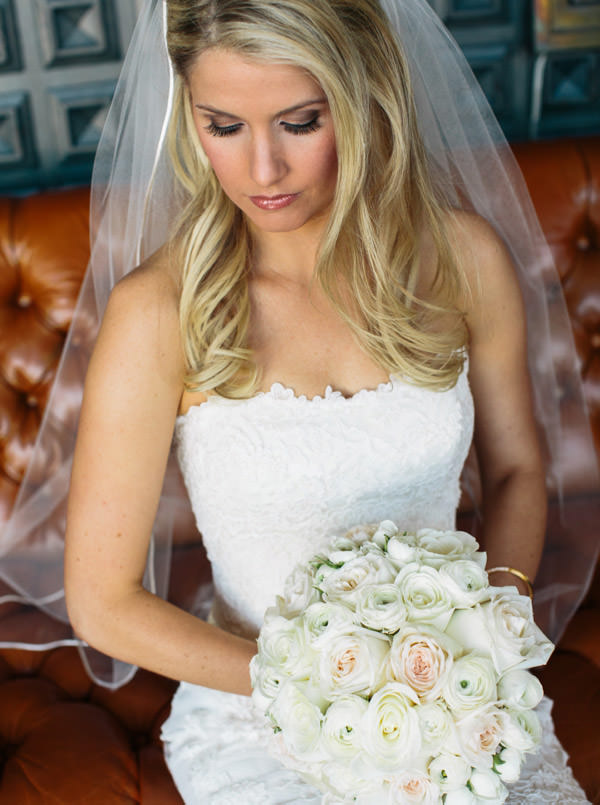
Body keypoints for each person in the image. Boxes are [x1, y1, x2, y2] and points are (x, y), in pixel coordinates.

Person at [1, 0, 597, 802]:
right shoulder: (160, 313)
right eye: (223, 125)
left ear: (363, 96)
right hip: (259, 703)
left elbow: (520, 468)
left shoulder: (462, 259)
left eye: (300, 121)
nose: (263, 171)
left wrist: (476, 639)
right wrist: (321, 687)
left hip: (458, 693)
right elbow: (103, 603)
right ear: (187, 116)